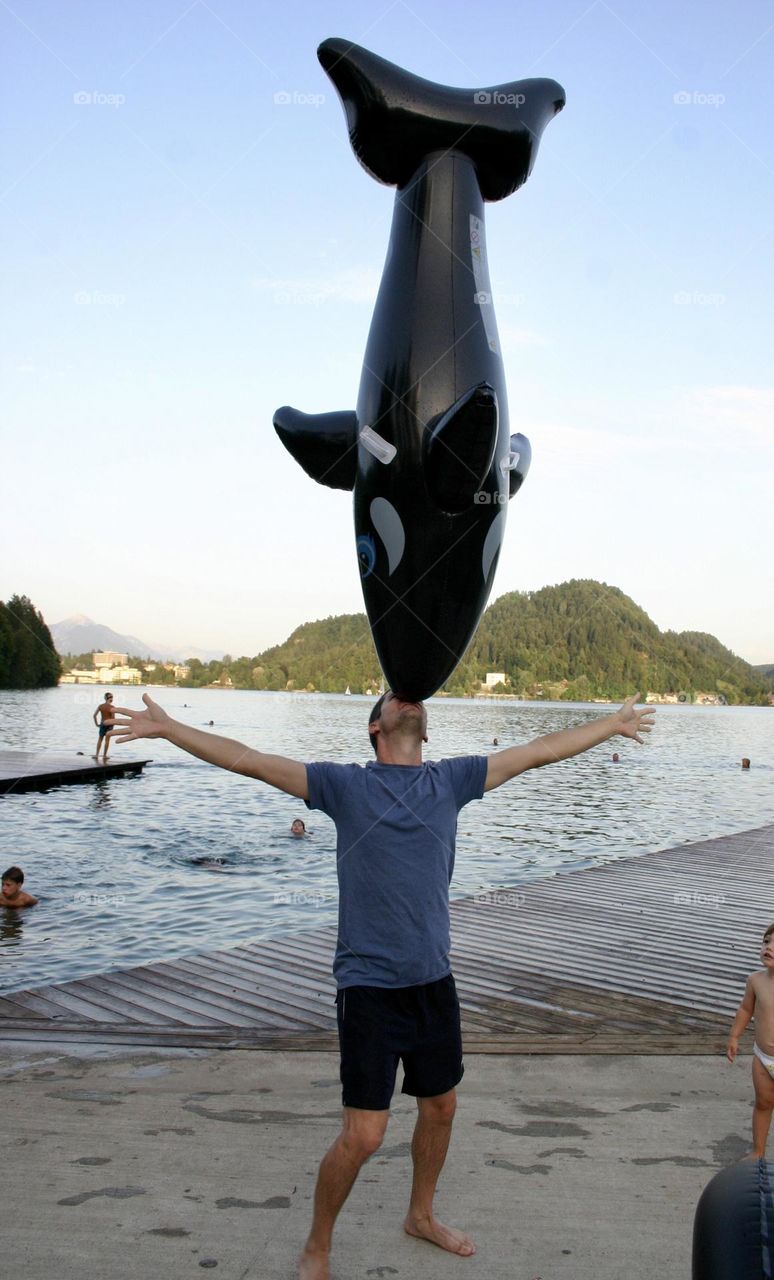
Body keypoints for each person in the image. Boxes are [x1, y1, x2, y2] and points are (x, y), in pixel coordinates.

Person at [109, 688, 655, 1280]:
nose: (405, 698)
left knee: (441, 1107)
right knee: (365, 1135)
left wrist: (611, 724)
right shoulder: (346, 787)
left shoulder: (452, 781)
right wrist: (170, 729)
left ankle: (420, 1215)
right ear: (376, 728)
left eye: (410, 697)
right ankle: (318, 1244)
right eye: (391, 697)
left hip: (432, 981)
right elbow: (247, 758)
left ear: (423, 727)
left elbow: (540, 750)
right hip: (368, 987)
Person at [727, 923, 774, 1157]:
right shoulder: (755, 980)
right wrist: (735, 1036)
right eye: (767, 942)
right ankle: (758, 1152)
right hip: (764, 1058)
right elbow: (746, 1009)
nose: (769, 947)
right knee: (763, 1104)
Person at [93, 692, 116, 762]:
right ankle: (104, 755)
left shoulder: (101, 706)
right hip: (109, 725)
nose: (111, 698)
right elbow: (113, 718)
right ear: (108, 698)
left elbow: (94, 715)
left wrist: (96, 724)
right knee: (107, 740)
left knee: (100, 739)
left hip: (102, 724)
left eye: (112, 697)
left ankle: (97, 755)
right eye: (111, 697)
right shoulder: (112, 708)